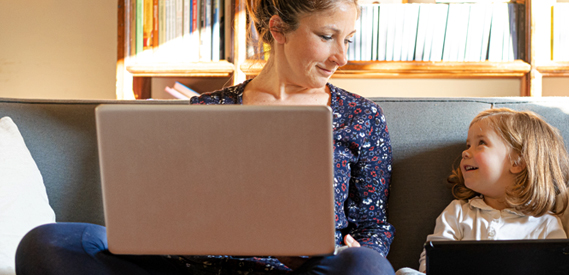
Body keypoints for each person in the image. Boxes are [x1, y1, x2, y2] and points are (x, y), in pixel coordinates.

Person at [15, 0, 396, 274]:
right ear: (278, 28)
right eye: (328, 36)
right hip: (191, 266)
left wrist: (359, 249)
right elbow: (170, 208)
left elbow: (373, 223)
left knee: (366, 266)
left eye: (348, 38)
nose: (341, 56)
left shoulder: (360, 117)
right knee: (46, 243)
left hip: (300, 270)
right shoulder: (208, 109)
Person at [395, 108, 569, 275]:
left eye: (481, 143)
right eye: (468, 145)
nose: (465, 153)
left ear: (518, 162)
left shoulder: (545, 223)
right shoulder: (457, 212)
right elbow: (432, 259)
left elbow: (558, 268)